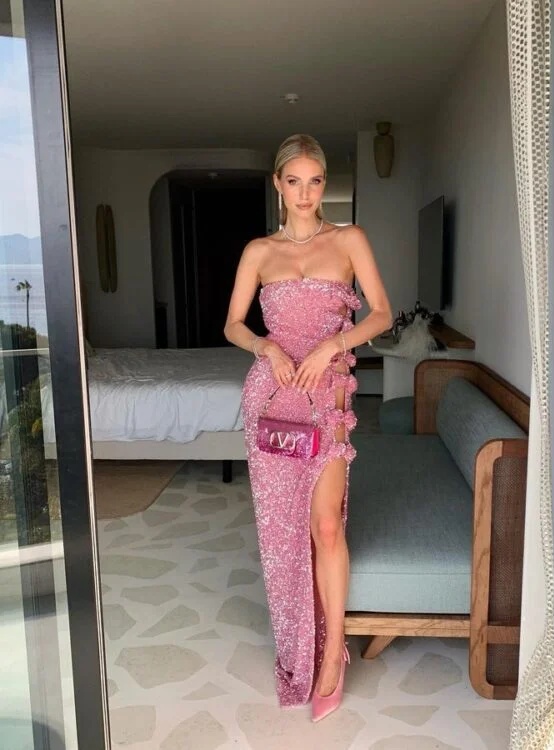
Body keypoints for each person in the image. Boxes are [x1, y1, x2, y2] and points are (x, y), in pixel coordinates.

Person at [224, 134, 392, 721]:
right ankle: (297, 638)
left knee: (325, 525)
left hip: (328, 396)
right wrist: (265, 346)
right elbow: (233, 325)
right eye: (293, 181)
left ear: (324, 184)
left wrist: (333, 345)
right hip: (272, 397)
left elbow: (382, 313)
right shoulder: (258, 251)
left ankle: (331, 656)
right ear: (278, 184)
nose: (304, 193)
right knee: (282, 534)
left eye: (314, 181)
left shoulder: (348, 240)